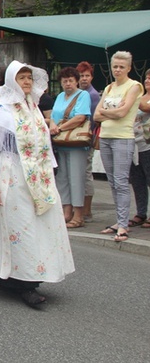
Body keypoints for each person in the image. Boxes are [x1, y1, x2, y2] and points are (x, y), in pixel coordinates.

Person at [0, 60, 75, 308]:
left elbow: (43, 145)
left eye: (29, 77)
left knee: (37, 227)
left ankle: (15, 276)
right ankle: (26, 284)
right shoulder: (0, 109)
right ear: (11, 81)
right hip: (10, 175)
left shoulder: (33, 107)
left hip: (36, 176)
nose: (27, 81)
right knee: (20, 228)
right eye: (22, 78)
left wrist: (49, 176)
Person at [95, 51, 143, 242]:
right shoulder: (108, 88)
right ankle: (119, 220)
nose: (117, 69)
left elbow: (123, 112)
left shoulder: (134, 86)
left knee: (121, 181)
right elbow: (96, 115)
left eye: (122, 66)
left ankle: (123, 225)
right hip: (106, 136)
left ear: (129, 68)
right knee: (113, 182)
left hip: (123, 137)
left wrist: (108, 111)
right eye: (115, 66)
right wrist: (111, 112)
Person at [48, 67, 91, 228]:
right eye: (64, 81)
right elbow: (52, 116)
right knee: (63, 177)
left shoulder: (83, 95)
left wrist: (60, 128)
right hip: (61, 142)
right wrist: (53, 126)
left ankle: (79, 214)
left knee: (76, 178)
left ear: (76, 81)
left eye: (71, 80)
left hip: (75, 142)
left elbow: (80, 117)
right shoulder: (59, 96)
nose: (67, 84)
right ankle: (66, 211)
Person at [77, 61, 101, 221]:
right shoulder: (79, 94)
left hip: (87, 140)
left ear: (92, 77)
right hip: (80, 140)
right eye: (81, 76)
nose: (84, 79)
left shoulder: (92, 95)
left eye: (87, 76)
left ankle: (87, 210)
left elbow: (93, 120)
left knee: (85, 174)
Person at [129, 70, 150, 228]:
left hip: (147, 144)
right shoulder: (140, 98)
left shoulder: (140, 100)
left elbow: (143, 107)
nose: (148, 80)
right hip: (133, 143)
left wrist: (131, 96)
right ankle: (141, 212)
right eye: (147, 77)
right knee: (137, 181)